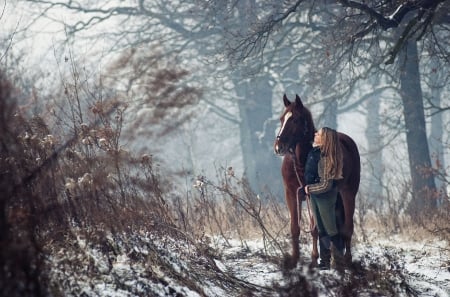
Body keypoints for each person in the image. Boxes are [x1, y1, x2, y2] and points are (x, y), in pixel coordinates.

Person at [303, 127, 344, 270]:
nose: (315, 134)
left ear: (325, 139)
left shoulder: (326, 158)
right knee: (321, 229)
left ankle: (339, 262)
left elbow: (326, 185)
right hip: (316, 196)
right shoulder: (316, 152)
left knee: (331, 229)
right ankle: (325, 261)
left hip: (325, 197)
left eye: (318, 134)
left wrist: (309, 189)